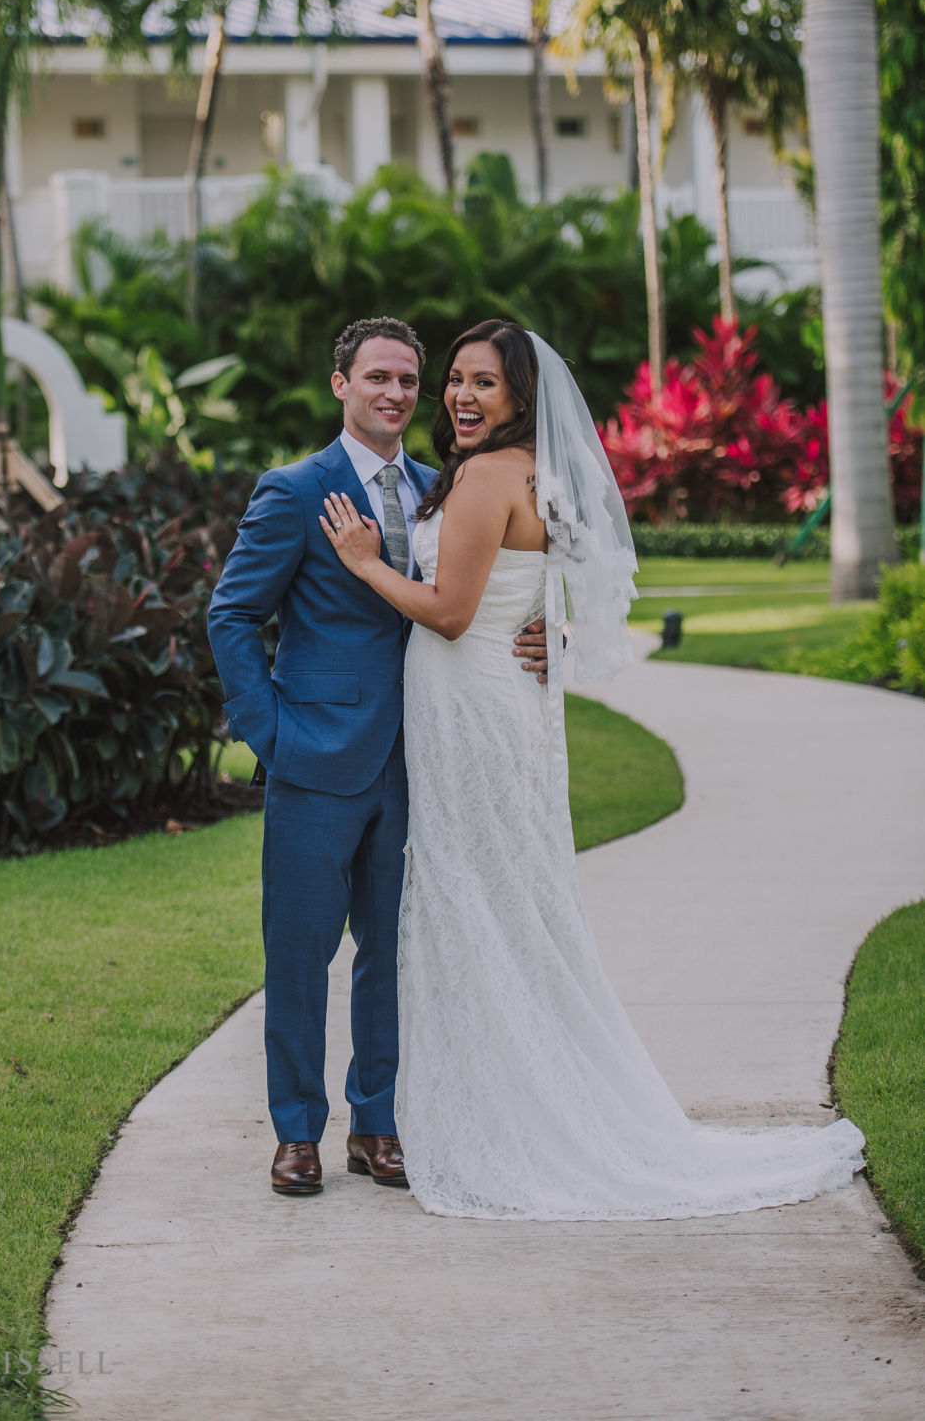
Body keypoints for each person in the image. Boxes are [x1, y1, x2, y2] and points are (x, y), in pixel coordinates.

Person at [319, 318, 865, 1220]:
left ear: (520, 398)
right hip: (506, 706)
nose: (459, 396)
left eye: (482, 384)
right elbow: (560, 575)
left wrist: (366, 563)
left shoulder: (491, 476)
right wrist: (552, 625)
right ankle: (520, 1099)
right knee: (510, 901)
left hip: (474, 709)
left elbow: (450, 613)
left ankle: (508, 1120)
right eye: (454, 379)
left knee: (477, 900)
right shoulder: (533, 470)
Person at [207, 316, 549, 1196]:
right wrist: (269, 733)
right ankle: (295, 1132)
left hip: (423, 755)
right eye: (377, 378)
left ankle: (379, 1123)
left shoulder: (450, 485)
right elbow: (232, 615)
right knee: (299, 952)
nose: (395, 393)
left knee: (394, 953)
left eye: (407, 379)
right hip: (314, 758)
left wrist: (549, 630)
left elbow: (490, 586)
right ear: (342, 386)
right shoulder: (295, 490)